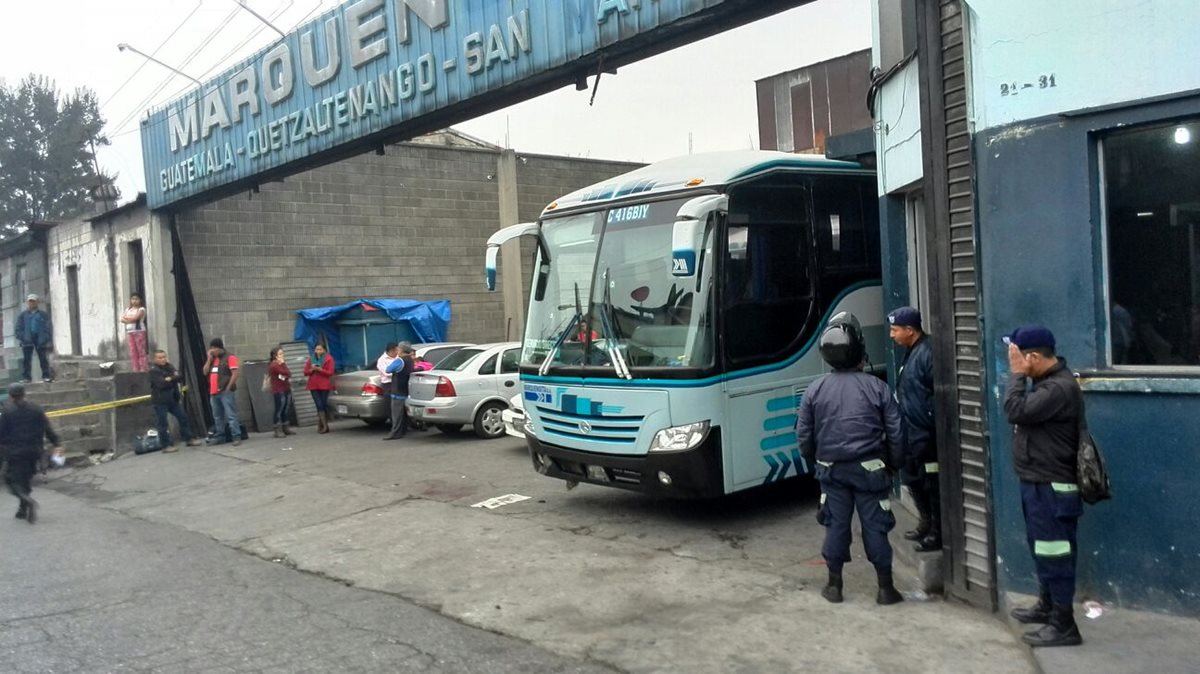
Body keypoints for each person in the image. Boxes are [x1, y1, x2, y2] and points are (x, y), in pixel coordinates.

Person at [796, 312, 905, 605]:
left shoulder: (814, 390)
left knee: (835, 525)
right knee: (876, 525)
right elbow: (896, 433)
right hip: (871, 470)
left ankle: (834, 586)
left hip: (831, 470)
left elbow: (804, 436)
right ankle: (885, 589)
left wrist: (815, 460)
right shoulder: (878, 388)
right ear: (859, 350)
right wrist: (893, 465)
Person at [1003, 325, 1084, 648]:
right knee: (1043, 549)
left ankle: (1064, 625)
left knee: (1055, 554)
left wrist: (1016, 375)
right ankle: (1048, 606)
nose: (1014, 362)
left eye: (1018, 357)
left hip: (1053, 486)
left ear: (1033, 357)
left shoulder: (1058, 389)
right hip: (1038, 482)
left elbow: (1014, 410)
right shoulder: (1047, 384)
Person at [887, 306, 942, 552]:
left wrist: (929, 423)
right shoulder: (911, 352)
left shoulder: (928, 353)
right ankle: (925, 523)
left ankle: (938, 533)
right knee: (913, 480)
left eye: (895, 330)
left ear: (910, 330)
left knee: (932, 484)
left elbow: (938, 395)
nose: (891, 335)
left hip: (926, 437)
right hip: (910, 434)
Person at [0, 384, 62, 524]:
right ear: (24, 393)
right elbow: (47, 428)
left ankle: (27, 500)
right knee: (25, 480)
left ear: (11, 396)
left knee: (11, 480)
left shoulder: (7, 412)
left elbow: (1, 433)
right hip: (34, 451)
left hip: (15, 452)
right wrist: (56, 443)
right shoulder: (36, 409)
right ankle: (22, 509)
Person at [148, 350, 200, 452]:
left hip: (173, 399)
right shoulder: (153, 370)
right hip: (160, 401)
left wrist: (170, 379)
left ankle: (189, 438)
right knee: (163, 423)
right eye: (160, 358)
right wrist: (173, 379)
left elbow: (180, 376)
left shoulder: (169, 366)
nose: (162, 359)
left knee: (183, 417)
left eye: (164, 357)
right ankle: (166, 446)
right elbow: (161, 384)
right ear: (155, 359)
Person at [203, 338, 243, 446]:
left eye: (213, 349)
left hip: (225, 391)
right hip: (213, 392)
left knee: (231, 415)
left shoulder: (230, 357)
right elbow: (205, 372)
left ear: (218, 348)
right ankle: (220, 436)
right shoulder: (213, 359)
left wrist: (228, 388)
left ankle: (236, 435)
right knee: (217, 416)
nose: (211, 351)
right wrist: (209, 359)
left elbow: (235, 373)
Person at [16, 294, 53, 383]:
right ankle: (26, 377)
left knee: (43, 358)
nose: (31, 303)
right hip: (27, 339)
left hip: (40, 339)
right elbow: (18, 328)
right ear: (27, 302)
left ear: (37, 302)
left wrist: (46, 338)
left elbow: (48, 327)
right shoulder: (23, 315)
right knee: (26, 360)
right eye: (30, 301)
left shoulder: (43, 315)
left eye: (33, 301)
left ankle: (46, 376)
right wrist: (23, 337)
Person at [383, 342, 415, 440]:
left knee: (396, 415)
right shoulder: (410, 360)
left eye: (398, 349)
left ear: (402, 350)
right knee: (404, 415)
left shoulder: (399, 360)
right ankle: (403, 430)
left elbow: (388, 370)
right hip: (406, 390)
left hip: (397, 391)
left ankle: (395, 433)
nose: (397, 350)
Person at [304, 343, 335, 434]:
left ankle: (321, 424)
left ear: (324, 350)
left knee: (323, 404)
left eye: (320, 349)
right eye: (316, 349)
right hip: (313, 385)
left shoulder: (329, 358)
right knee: (318, 404)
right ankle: (325, 426)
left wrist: (320, 370)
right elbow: (305, 372)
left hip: (324, 385)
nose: (318, 351)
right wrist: (312, 370)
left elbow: (330, 372)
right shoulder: (311, 359)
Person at [268, 347, 295, 438]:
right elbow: (284, 372)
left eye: (282, 353)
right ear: (275, 356)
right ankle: (277, 429)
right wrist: (283, 364)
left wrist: (284, 366)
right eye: (280, 354)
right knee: (279, 409)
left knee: (285, 409)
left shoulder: (282, 364)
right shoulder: (274, 365)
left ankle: (285, 427)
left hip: (286, 388)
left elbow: (288, 374)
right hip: (278, 390)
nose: (282, 355)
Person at [120, 292, 149, 372]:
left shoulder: (141, 309)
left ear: (140, 300)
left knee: (141, 351)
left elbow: (135, 318)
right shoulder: (128, 309)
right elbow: (121, 319)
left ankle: (143, 369)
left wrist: (128, 318)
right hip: (130, 332)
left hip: (139, 331)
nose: (134, 301)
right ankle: (136, 369)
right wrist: (131, 319)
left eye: (136, 299)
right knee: (133, 352)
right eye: (133, 299)